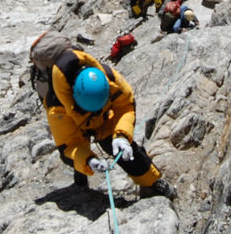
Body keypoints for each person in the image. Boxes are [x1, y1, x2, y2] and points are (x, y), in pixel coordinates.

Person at [38, 38, 177, 199]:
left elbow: (125, 106)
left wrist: (122, 135)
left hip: (103, 120)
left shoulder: (110, 78)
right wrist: (88, 160)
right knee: (74, 153)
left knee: (127, 151)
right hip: (74, 122)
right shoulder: (56, 106)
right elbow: (69, 144)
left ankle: (151, 183)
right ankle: (81, 179)